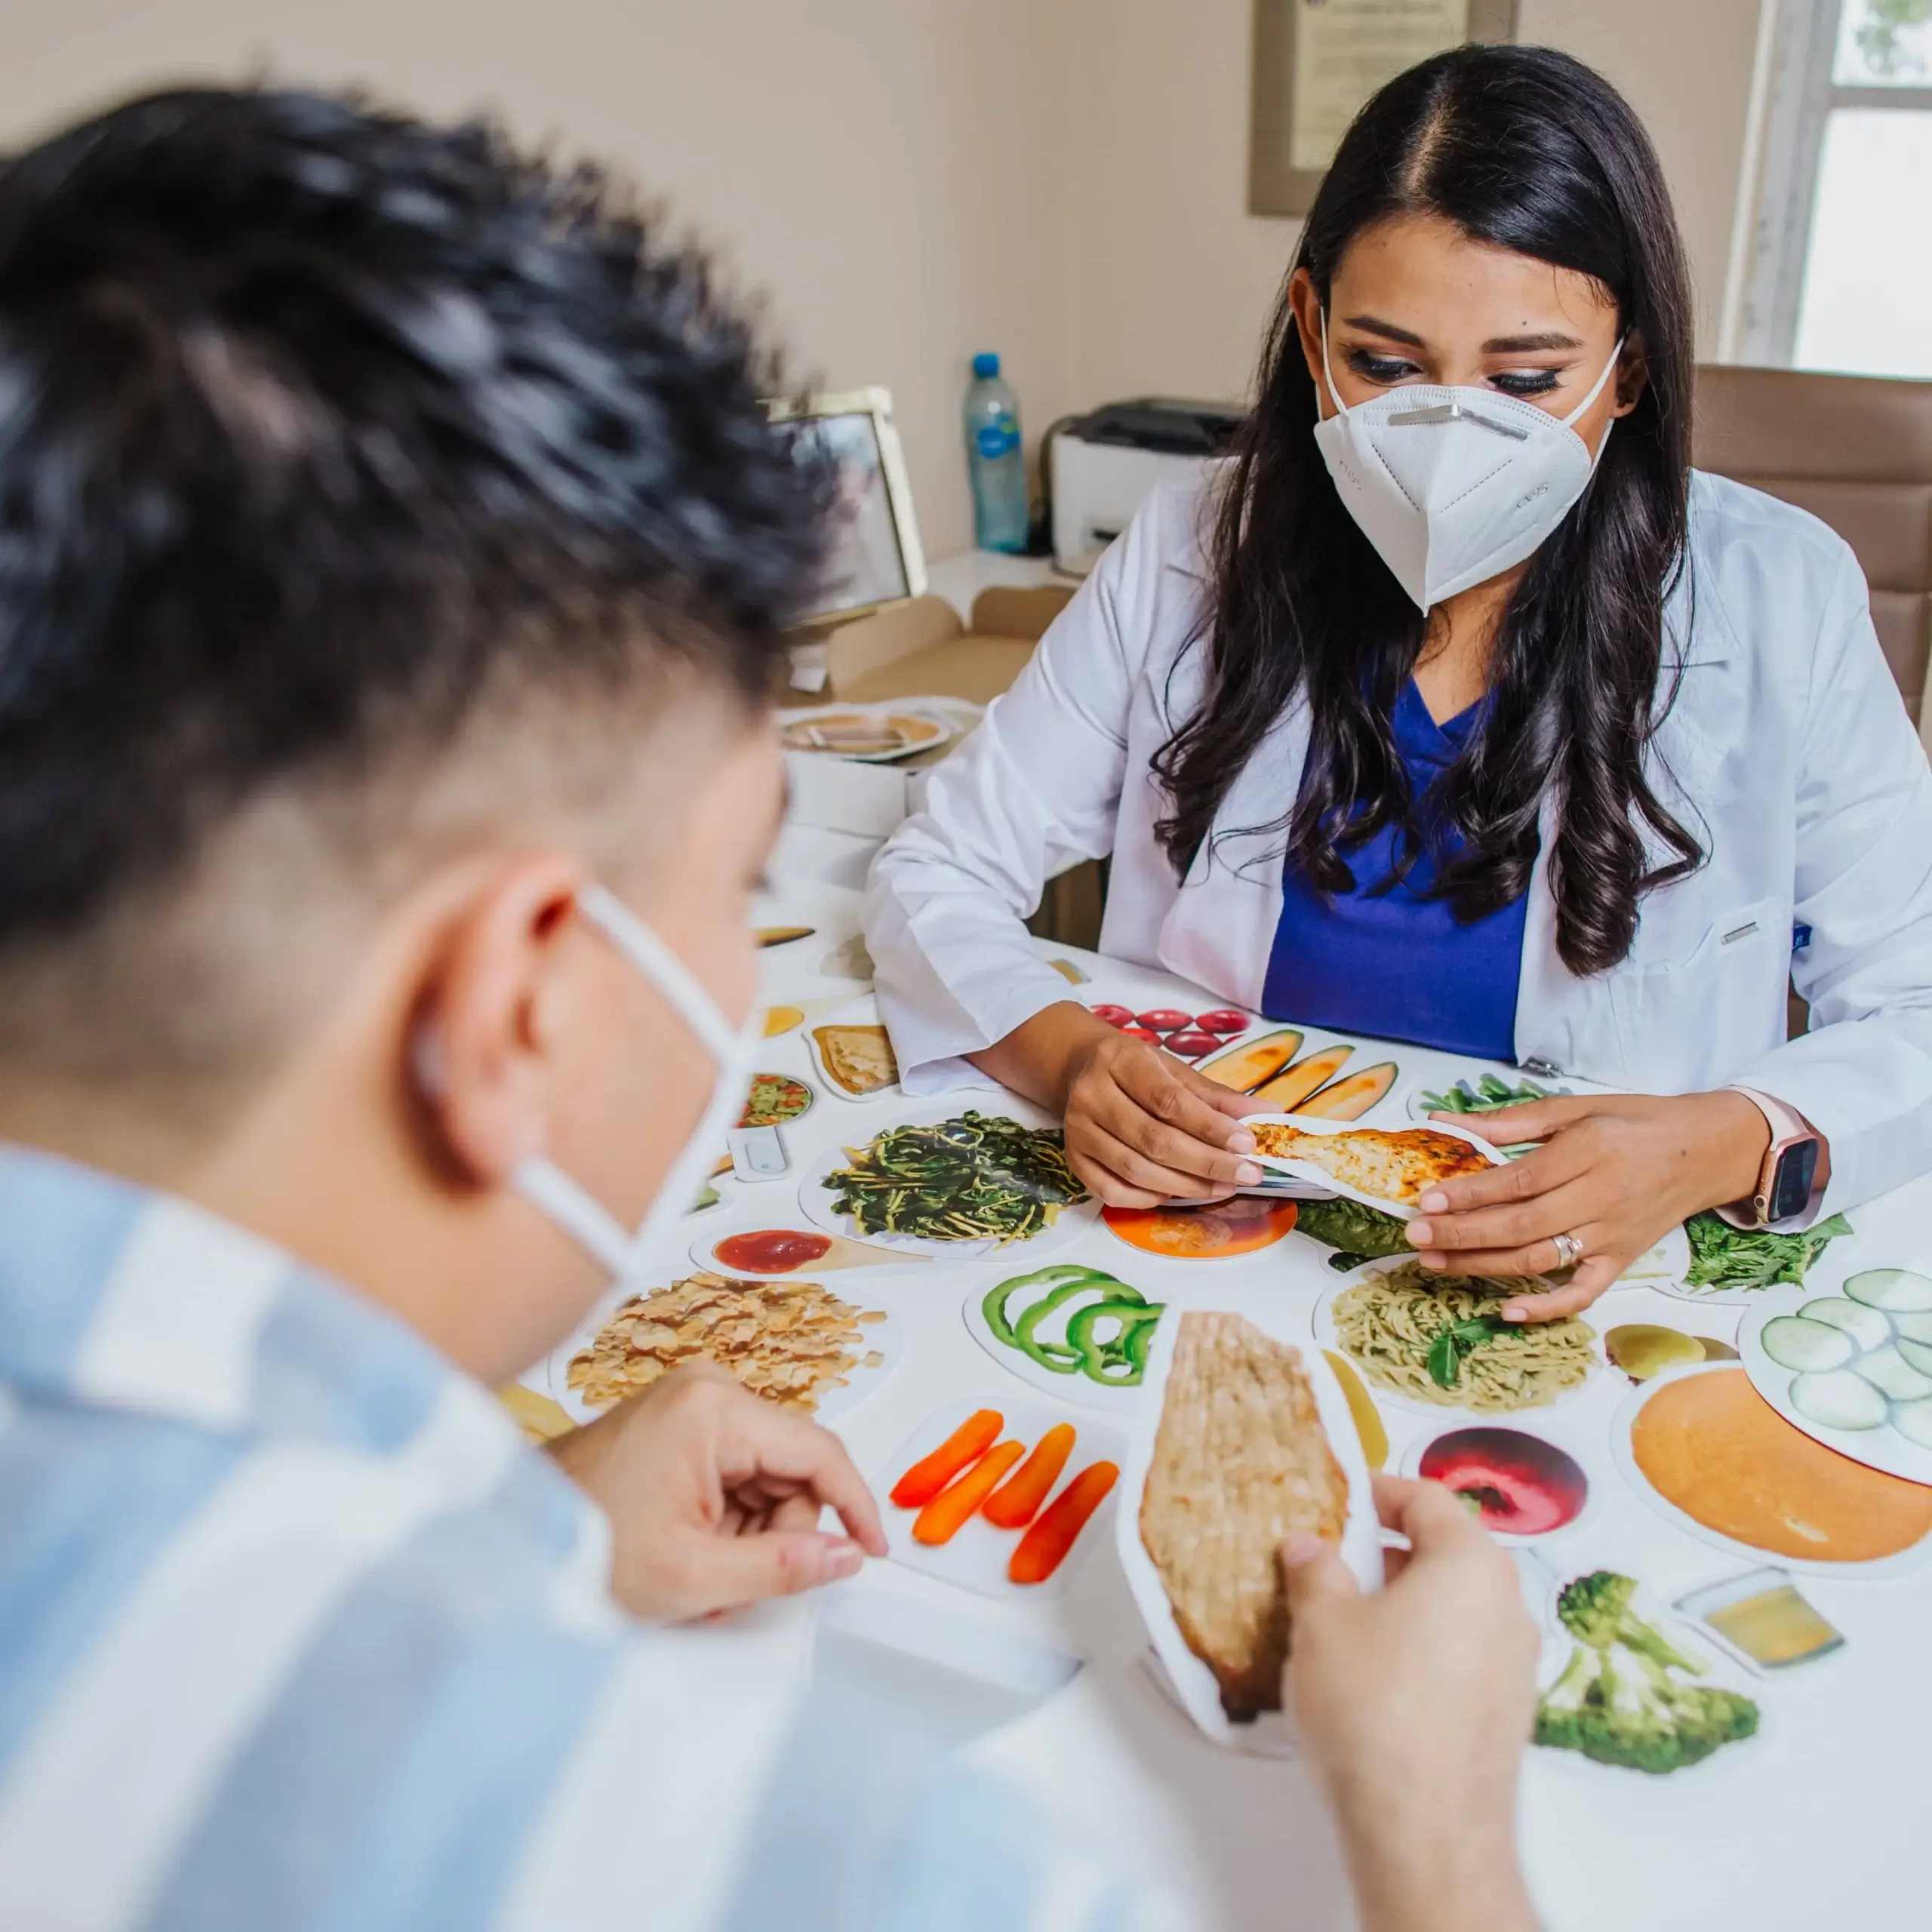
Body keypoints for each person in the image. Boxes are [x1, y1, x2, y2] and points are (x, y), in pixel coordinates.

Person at [0, 84, 1536, 1932]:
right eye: (738, 885)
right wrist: (1436, 1827)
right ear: (505, 1010)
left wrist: (528, 1521)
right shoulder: (711, 1839)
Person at [868, 43, 1932, 1324]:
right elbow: (936, 875)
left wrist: (1717, 1143)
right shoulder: (1196, 543)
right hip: (1215, 1242)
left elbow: (1915, 1009)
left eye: (1526, 380)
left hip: (1586, 1285)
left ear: (1628, 369)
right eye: (1386, 363)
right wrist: (1070, 1058)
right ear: (1314, 330)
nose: (1448, 430)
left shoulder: (1783, 594)